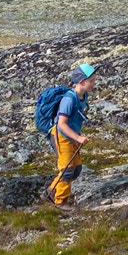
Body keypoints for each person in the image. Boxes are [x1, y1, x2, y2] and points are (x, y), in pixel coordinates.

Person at [46, 63, 96, 211]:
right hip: (62, 137)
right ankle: (60, 200)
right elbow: (61, 124)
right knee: (67, 170)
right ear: (81, 82)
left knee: (76, 169)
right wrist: (78, 138)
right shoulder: (69, 99)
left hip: (72, 136)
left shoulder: (83, 95)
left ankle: (52, 189)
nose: (94, 84)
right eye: (91, 81)